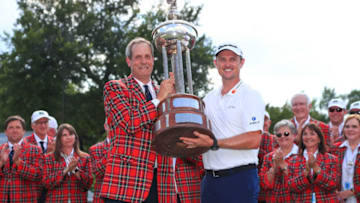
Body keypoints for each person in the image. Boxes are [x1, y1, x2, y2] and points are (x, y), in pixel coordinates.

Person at [180, 42, 265, 203]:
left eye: (232, 59)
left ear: (242, 63)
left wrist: (214, 143)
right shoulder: (208, 98)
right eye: (223, 59)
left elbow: (254, 139)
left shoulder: (250, 95)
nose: (227, 64)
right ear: (216, 63)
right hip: (210, 181)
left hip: (240, 178)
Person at [101, 37, 179, 203]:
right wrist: (159, 100)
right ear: (129, 61)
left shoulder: (163, 91)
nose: (144, 61)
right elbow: (130, 122)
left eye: (147, 56)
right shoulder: (115, 87)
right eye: (138, 57)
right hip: (126, 184)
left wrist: (175, 102)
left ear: (152, 59)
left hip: (160, 183)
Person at [288, 123, 340, 202]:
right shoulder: (293, 161)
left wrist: (316, 168)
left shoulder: (332, 159)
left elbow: (333, 184)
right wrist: (306, 173)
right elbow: (291, 187)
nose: (308, 137)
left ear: (319, 139)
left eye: (312, 134)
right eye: (305, 134)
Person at [42, 123, 93, 202]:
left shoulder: (84, 157)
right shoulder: (48, 158)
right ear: (59, 139)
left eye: (71, 134)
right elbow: (46, 183)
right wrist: (66, 170)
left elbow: (88, 184)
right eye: (64, 135)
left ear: (75, 137)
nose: (68, 137)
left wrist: (76, 170)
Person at [0, 115, 43, 202]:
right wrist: (1, 162)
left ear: (23, 131)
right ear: (6, 132)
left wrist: (18, 162)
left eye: (18, 127)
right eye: (11, 127)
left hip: (24, 199)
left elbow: (38, 175)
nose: (14, 130)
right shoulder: (1, 149)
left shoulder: (34, 149)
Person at [259, 119, 298, 202]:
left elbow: (299, 183)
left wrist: (282, 164)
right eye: (279, 135)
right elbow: (265, 185)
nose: (283, 137)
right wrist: (274, 167)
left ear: (294, 135)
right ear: (275, 137)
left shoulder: (302, 155)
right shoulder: (268, 157)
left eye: (286, 134)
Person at [25, 110, 56, 202]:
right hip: (31, 193)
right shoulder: (25, 143)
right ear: (32, 125)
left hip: (52, 193)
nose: (43, 125)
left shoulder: (56, 143)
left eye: (45, 122)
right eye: (39, 123)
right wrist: (48, 155)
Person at [332, 114, 360, 202]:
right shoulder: (335, 149)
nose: (350, 130)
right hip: (340, 199)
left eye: (354, 127)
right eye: (347, 127)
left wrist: (353, 191)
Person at [89, 121, 110, 203]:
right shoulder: (95, 149)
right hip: (102, 198)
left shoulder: (127, 148)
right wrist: (113, 149)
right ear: (105, 126)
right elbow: (98, 172)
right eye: (110, 124)